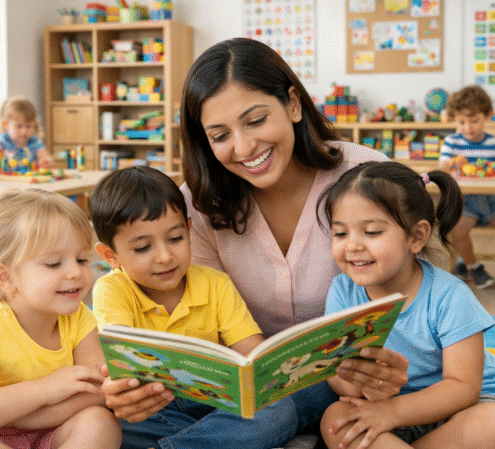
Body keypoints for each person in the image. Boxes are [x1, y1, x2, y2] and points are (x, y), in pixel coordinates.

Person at [100, 37, 409, 445]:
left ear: (294, 104)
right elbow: (200, 322)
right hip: (237, 385)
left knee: (282, 404)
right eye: (220, 134)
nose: (244, 147)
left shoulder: (368, 178)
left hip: (338, 380)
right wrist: (131, 393)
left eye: (256, 120)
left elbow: (416, 297)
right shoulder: (192, 208)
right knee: (101, 412)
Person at [317, 161, 495, 449]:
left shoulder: (450, 296)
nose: (352, 245)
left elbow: (463, 387)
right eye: (340, 233)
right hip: (380, 409)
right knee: (335, 419)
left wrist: (391, 412)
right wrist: (357, 386)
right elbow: (338, 373)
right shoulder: (342, 293)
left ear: (417, 236)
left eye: (371, 232)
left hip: (457, 412)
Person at [90, 166, 297, 449]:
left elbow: (252, 354)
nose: (164, 257)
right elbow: (125, 366)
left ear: (188, 230)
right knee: (104, 419)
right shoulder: (111, 289)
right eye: (142, 248)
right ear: (110, 255)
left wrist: (263, 376)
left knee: (279, 409)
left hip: (216, 403)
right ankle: (221, 441)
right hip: (157, 406)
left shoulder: (215, 283)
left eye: (175, 239)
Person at [0, 188, 121, 449]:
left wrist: (31, 418)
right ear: (5, 277)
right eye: (54, 263)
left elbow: (98, 393)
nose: (75, 272)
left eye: (81, 259)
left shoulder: (79, 318)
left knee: (100, 423)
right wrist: (45, 390)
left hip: (50, 431)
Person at [438, 85, 495, 291]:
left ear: (487, 115)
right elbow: (442, 167)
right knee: (457, 229)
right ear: (454, 119)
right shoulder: (452, 142)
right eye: (462, 122)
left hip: (491, 201)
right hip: (465, 202)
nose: (468, 127)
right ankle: (473, 266)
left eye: (474, 121)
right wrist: (452, 164)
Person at [0, 96, 54, 169]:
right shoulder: (1, 141)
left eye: (29, 126)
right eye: (19, 126)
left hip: (28, 179)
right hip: (6, 179)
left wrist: (47, 162)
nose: (24, 131)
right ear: (5, 125)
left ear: (34, 125)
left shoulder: (34, 142)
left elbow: (45, 157)